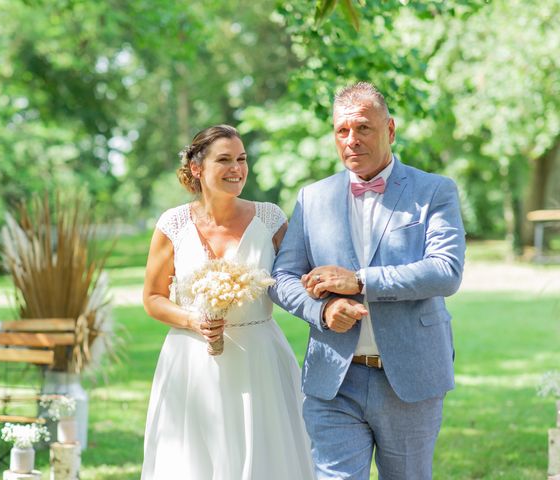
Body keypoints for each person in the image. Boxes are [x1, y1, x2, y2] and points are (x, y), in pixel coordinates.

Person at [270, 82, 466, 480]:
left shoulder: (434, 191)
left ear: (390, 130)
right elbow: (282, 277)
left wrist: (359, 281)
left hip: (410, 378)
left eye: (363, 128)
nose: (351, 140)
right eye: (342, 130)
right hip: (333, 380)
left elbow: (446, 270)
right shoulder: (313, 198)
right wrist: (323, 311)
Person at [141, 124, 316, 479]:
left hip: (260, 359)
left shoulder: (270, 219)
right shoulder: (172, 224)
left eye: (242, 159)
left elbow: (297, 280)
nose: (237, 168)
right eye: (224, 160)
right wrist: (193, 321)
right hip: (191, 361)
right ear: (196, 168)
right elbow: (153, 298)